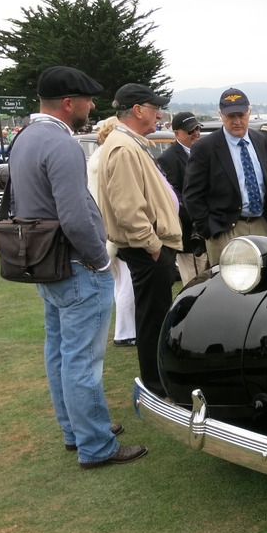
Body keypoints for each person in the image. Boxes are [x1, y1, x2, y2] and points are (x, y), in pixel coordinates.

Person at [7, 66, 146, 468]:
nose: (91, 106)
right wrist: (100, 259)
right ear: (69, 103)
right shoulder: (61, 144)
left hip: (45, 262)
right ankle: (95, 445)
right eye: (86, 99)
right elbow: (74, 216)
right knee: (82, 360)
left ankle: (77, 431)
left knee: (60, 354)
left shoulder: (24, 138)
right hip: (74, 263)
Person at [95, 83, 182, 395]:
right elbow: (128, 207)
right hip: (147, 249)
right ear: (137, 110)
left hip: (151, 247)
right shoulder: (123, 147)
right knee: (152, 318)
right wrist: (154, 246)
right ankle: (156, 383)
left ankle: (160, 378)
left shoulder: (128, 142)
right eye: (154, 107)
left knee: (155, 314)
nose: (158, 113)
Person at [183, 88, 267, 264]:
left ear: (249, 112)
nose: (237, 121)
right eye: (231, 116)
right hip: (226, 229)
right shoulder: (205, 148)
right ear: (220, 114)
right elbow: (192, 195)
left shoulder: (259, 140)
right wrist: (209, 230)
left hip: (263, 225)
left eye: (241, 115)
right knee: (227, 288)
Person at [87, 116, 136, 347]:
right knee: (126, 282)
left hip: (102, 228)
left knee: (120, 282)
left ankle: (124, 329)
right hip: (114, 229)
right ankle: (125, 332)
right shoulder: (109, 157)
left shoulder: (97, 157)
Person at [157, 111, 209, 286]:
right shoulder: (168, 158)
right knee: (195, 282)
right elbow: (175, 196)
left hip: (212, 228)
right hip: (190, 231)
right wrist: (199, 217)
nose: (195, 133)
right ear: (177, 133)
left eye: (197, 128)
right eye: (190, 130)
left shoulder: (204, 151)